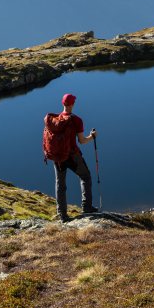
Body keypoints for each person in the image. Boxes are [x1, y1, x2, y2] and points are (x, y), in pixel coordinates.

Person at [53, 93, 98, 222]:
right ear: (72, 104)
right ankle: (87, 207)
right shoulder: (76, 120)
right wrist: (92, 136)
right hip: (72, 156)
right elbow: (82, 141)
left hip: (58, 157)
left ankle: (62, 215)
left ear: (63, 103)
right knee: (85, 177)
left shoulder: (56, 120)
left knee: (60, 184)